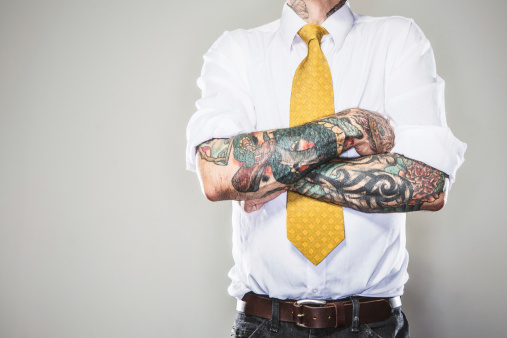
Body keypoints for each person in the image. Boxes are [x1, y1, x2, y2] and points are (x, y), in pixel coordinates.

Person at [186, 0, 466, 336]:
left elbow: (428, 183)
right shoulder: (235, 50)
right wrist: (351, 123)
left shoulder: (398, 39)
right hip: (264, 325)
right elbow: (217, 175)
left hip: (371, 325)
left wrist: (267, 172)